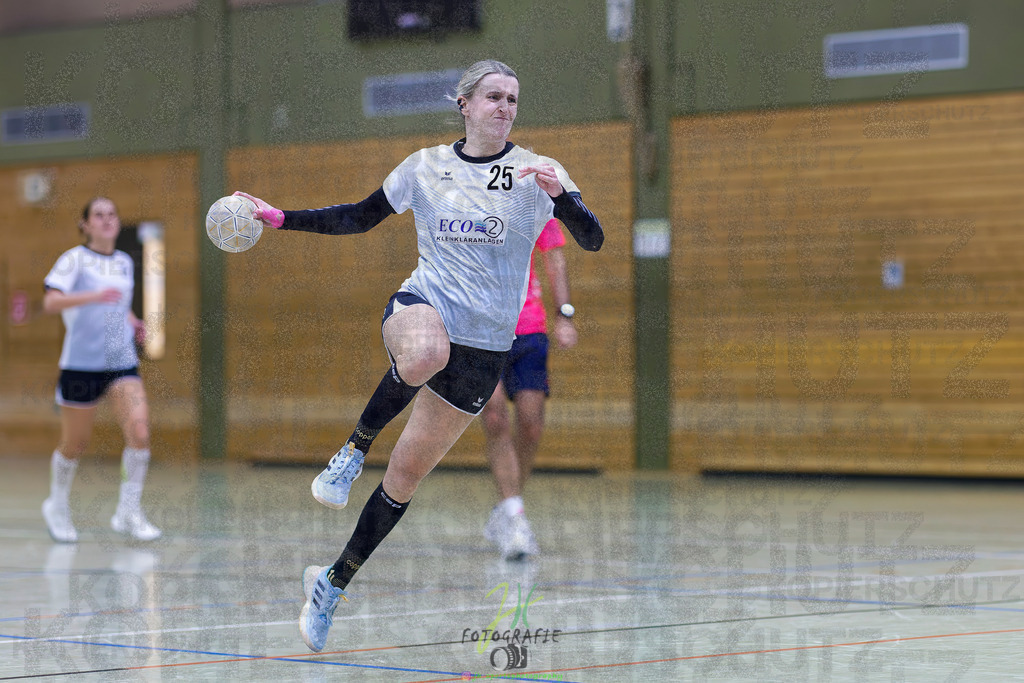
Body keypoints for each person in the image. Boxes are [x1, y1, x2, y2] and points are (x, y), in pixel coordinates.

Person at [236, 58, 603, 654]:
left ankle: (331, 585)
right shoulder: (425, 166)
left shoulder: (539, 171)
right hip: (423, 308)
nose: (505, 108)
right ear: (465, 104)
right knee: (426, 351)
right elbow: (358, 216)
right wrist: (279, 219)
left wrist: (564, 200)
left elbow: (593, 238)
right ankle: (352, 451)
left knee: (404, 480)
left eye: (513, 99)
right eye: (493, 97)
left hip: (485, 351)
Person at [41, 197, 161, 543]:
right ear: (85, 225)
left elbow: (118, 305)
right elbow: (51, 301)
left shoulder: (124, 262)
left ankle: (128, 511)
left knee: (139, 434)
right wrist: (92, 295)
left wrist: (135, 321)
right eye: (99, 215)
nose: (107, 219)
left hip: (121, 363)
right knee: (74, 444)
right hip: (80, 367)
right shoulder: (73, 260)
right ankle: (57, 505)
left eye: (112, 213)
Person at [480, 217, 577, 561]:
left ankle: (508, 507)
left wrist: (564, 314)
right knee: (494, 419)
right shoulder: (468, 201)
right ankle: (515, 515)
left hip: (529, 329)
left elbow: (555, 258)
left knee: (531, 424)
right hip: (480, 330)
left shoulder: (535, 205)